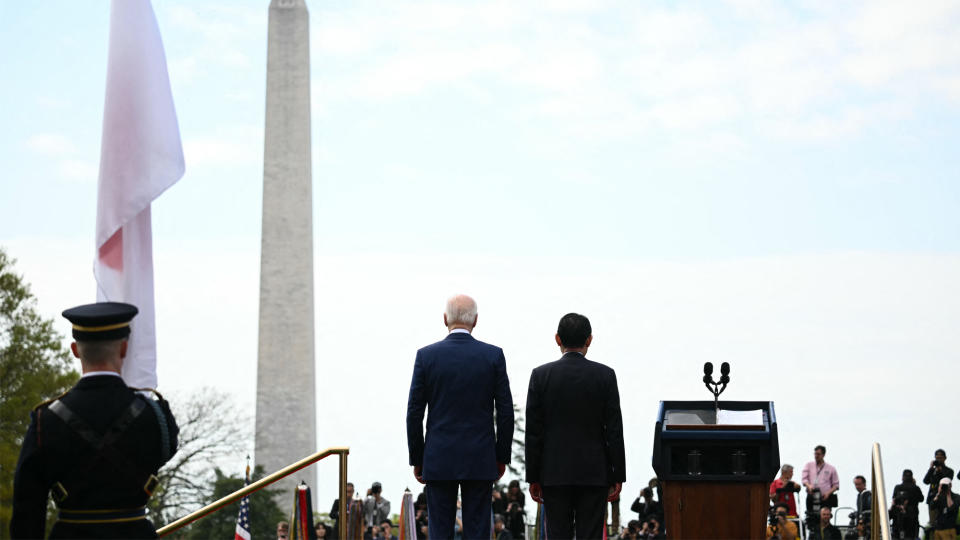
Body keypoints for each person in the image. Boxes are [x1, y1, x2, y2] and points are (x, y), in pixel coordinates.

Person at [10, 302, 179, 539]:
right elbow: (166, 451)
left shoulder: (45, 421)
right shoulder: (155, 415)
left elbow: (27, 508)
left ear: (75, 350)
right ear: (123, 349)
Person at [406, 294, 514, 540]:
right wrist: (501, 456)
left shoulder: (426, 356)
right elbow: (505, 412)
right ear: (475, 320)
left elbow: (414, 412)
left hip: (439, 455)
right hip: (480, 455)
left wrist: (418, 456)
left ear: (445, 319)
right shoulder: (493, 356)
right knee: (478, 531)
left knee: (440, 531)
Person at [525, 313, 627, 540]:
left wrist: (533, 476)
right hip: (594, 472)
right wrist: (617, 473)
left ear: (557, 339)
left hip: (553, 473)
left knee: (557, 534)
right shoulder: (605, 375)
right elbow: (614, 430)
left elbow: (534, 432)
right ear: (589, 340)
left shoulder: (540, 376)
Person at [802, 445, 840, 511]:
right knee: (811, 517)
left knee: (825, 516)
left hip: (824, 498)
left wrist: (828, 493)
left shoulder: (831, 468)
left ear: (823, 455)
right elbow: (804, 479)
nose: (816, 456)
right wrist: (809, 486)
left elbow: (836, 485)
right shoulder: (808, 465)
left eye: (818, 454)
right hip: (812, 496)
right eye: (815, 454)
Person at [924, 449, 955, 526]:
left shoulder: (949, 471)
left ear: (945, 458)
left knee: (944, 522)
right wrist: (931, 468)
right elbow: (925, 481)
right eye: (937, 458)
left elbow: (947, 481)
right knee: (933, 523)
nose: (938, 460)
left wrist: (940, 472)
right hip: (933, 499)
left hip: (944, 499)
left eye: (940, 458)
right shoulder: (933, 470)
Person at [891, 469, 924, 539]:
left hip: (898, 518)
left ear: (902, 477)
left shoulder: (898, 487)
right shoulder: (916, 488)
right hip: (912, 518)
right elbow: (921, 499)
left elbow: (894, 500)